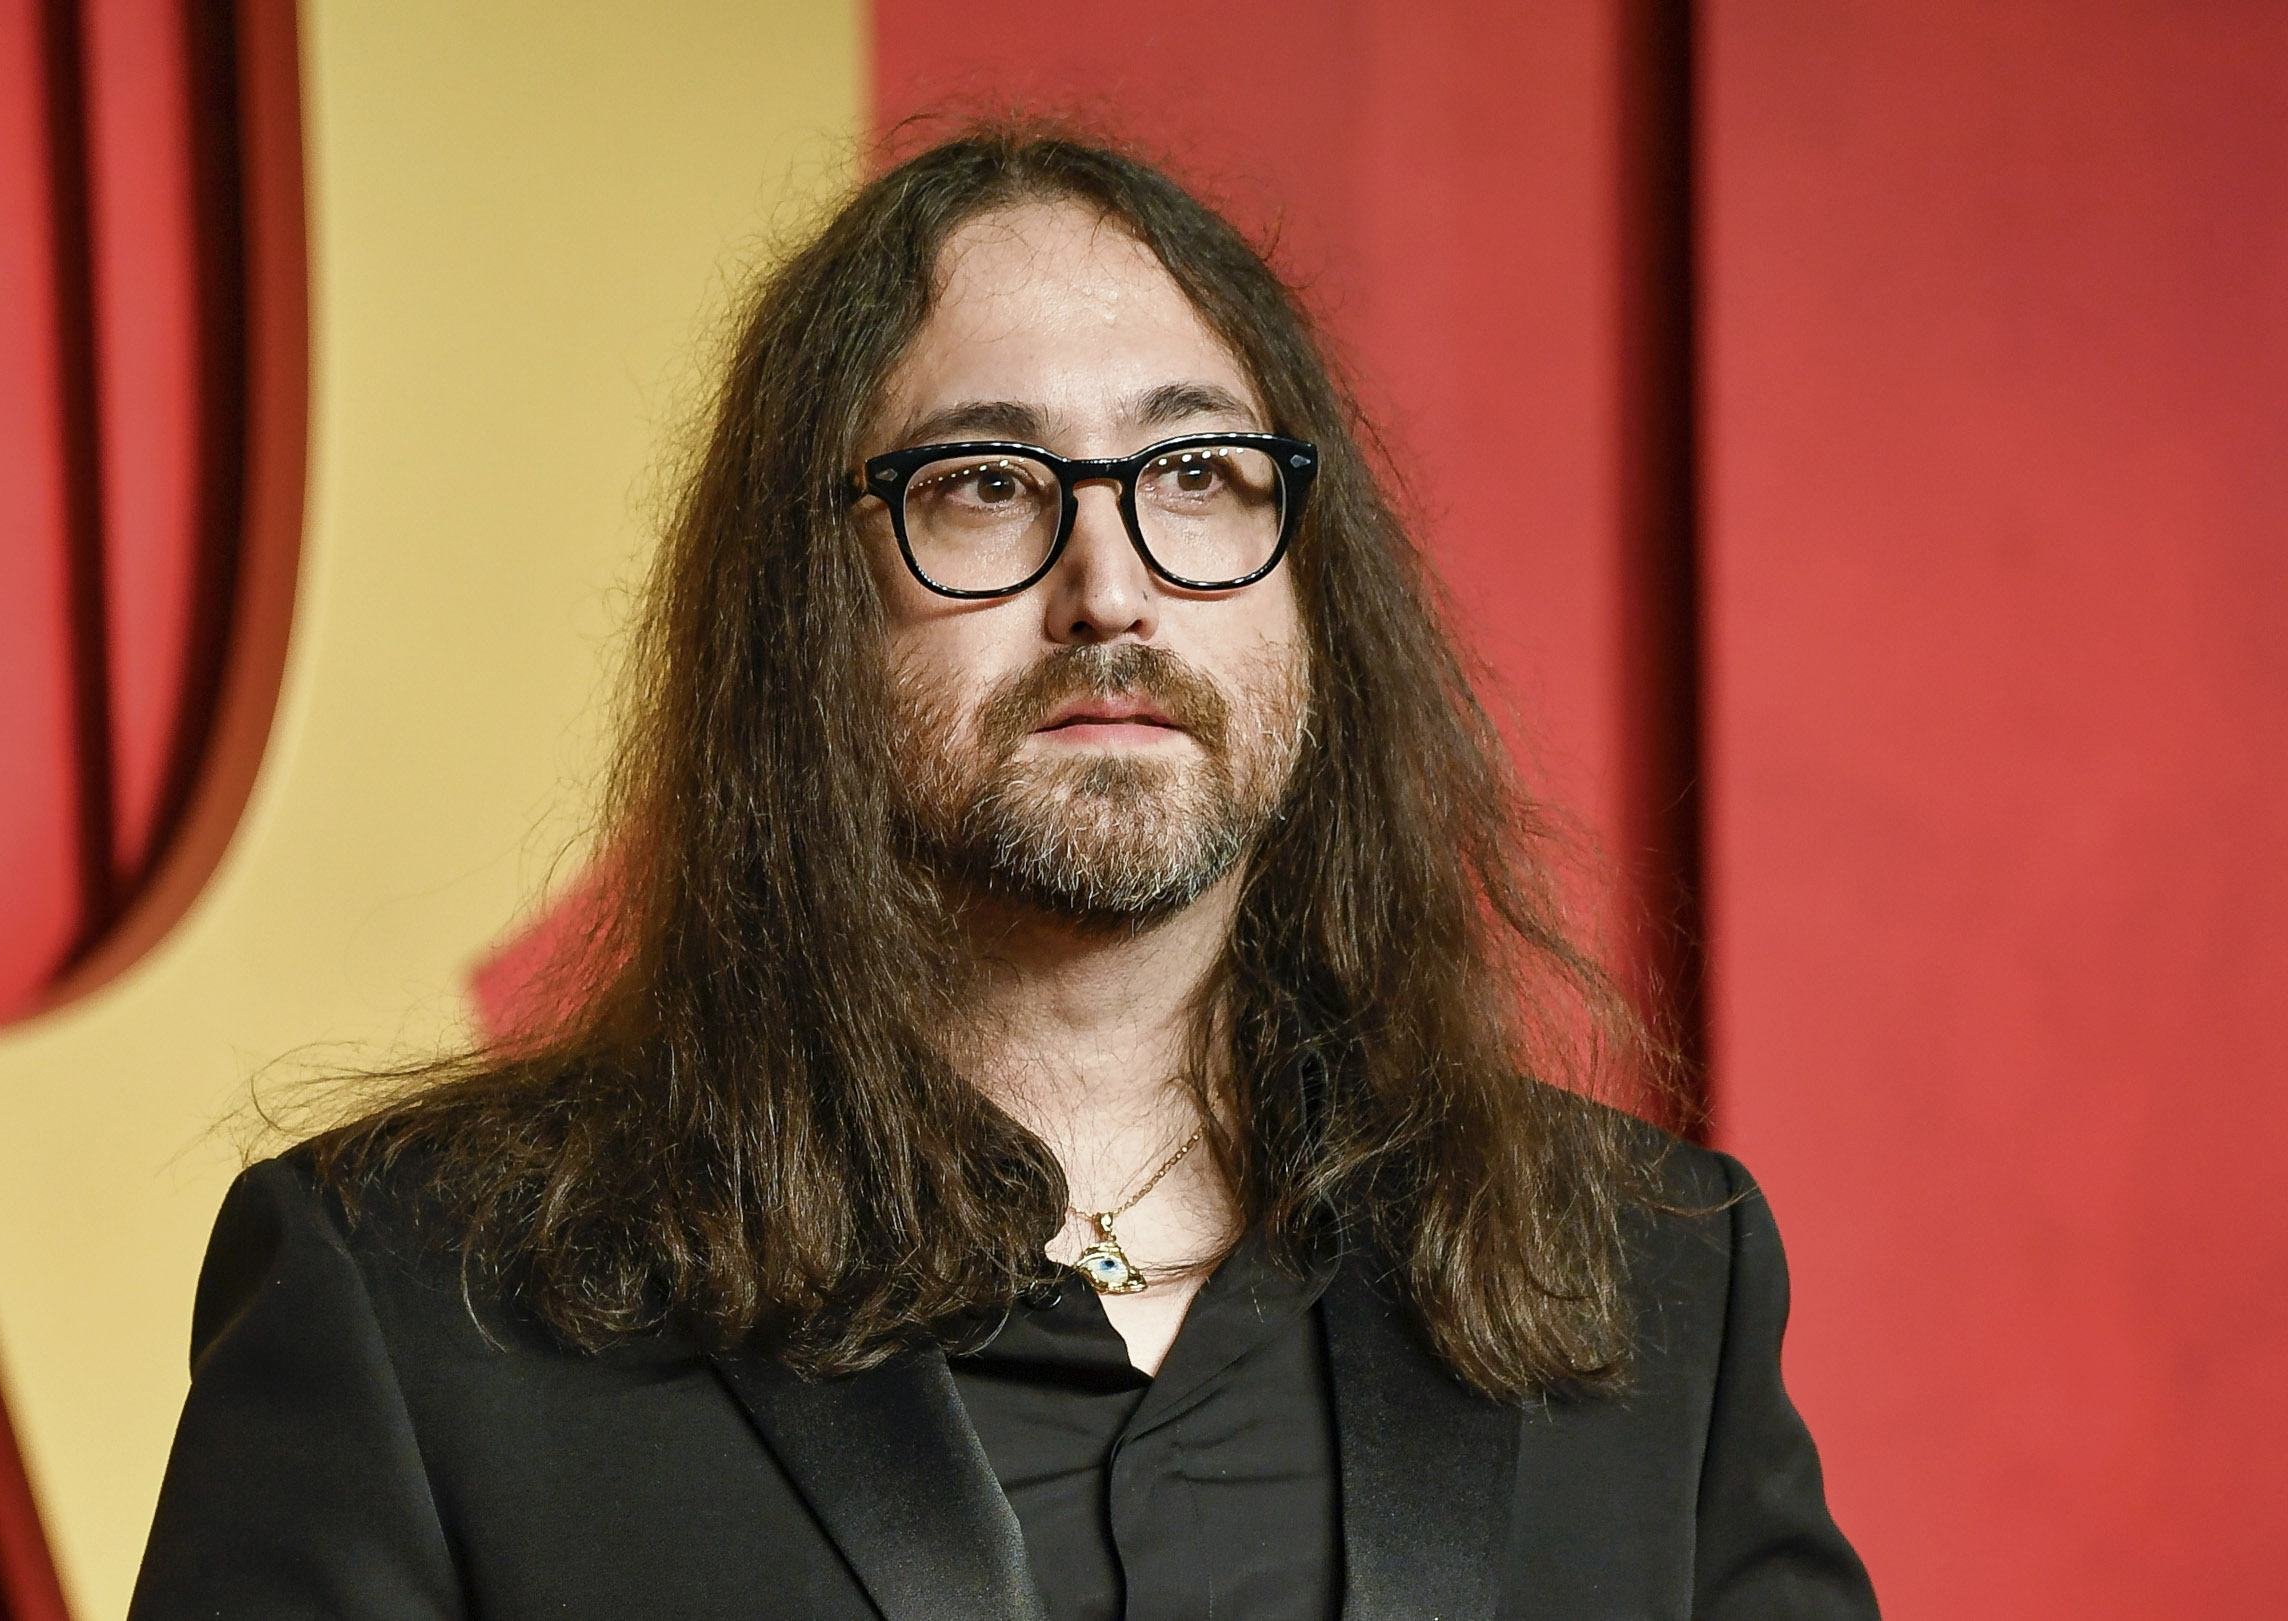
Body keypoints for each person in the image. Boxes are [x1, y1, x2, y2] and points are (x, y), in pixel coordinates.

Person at [129, 129, 1877, 1621]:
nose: (1110, 582)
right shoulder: (422, 1298)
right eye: (987, 483)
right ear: (804, 616)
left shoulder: (1656, 1281)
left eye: (1196, 472)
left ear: (1311, 592)